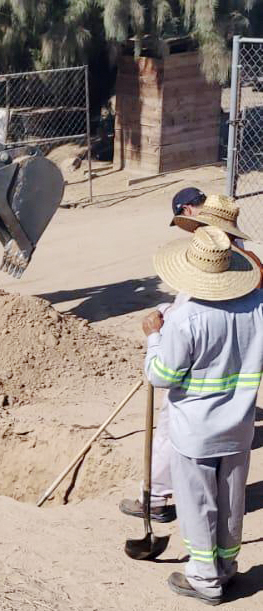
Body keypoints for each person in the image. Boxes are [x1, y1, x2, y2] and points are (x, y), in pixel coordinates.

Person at [144, 226, 263, 604]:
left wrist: (153, 338)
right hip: (239, 427)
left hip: (194, 431)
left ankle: (205, 578)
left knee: (198, 505)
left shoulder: (187, 318)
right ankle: (227, 568)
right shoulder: (257, 308)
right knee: (231, 502)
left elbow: (161, 376)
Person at [119, 188, 207, 523]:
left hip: (191, 360)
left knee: (171, 426)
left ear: (187, 210)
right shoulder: (236, 249)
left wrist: (157, 335)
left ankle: (155, 499)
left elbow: (161, 374)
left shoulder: (206, 253)